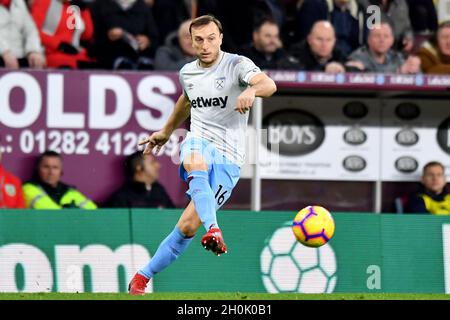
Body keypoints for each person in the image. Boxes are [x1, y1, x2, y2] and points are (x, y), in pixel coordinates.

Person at [128, 15, 277, 295]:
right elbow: (187, 100)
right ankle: (214, 230)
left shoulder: (236, 65)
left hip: (230, 158)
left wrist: (252, 91)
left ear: (220, 38)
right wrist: (166, 131)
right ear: (191, 42)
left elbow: (269, 84)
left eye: (211, 38)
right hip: (199, 140)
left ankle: (142, 274)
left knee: (186, 227)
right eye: (199, 40)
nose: (205, 45)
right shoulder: (187, 72)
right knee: (194, 157)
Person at [90, 0, 159, 70]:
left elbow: (154, 37)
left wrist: (147, 41)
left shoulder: (142, 6)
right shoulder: (98, 6)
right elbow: (91, 38)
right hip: (110, 60)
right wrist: (108, 36)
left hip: (140, 59)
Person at [31, 0, 96, 69]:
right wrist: (59, 45)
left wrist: (84, 11)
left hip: (74, 54)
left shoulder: (73, 6)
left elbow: (86, 35)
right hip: (49, 53)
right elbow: (33, 31)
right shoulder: (44, 2)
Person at [22, 150, 97, 209]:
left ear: (61, 171)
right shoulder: (28, 188)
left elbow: (94, 212)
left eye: (55, 168)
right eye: (46, 167)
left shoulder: (69, 191)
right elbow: (50, 214)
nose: (51, 172)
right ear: (38, 169)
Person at [106, 151, 174, 208]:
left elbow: (174, 219)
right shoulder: (121, 198)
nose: (158, 165)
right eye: (152, 162)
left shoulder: (160, 191)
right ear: (138, 168)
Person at [348, 22, 421, 73]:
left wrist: (412, 67)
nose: (382, 40)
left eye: (386, 36)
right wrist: (398, 72)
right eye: (377, 36)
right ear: (368, 40)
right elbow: (370, 79)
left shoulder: (396, 58)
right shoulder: (357, 57)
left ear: (392, 41)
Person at [0, 0, 46, 69]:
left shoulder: (19, 2)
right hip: (3, 57)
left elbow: (30, 30)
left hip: (20, 58)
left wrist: (33, 51)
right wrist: (4, 52)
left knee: (38, 62)